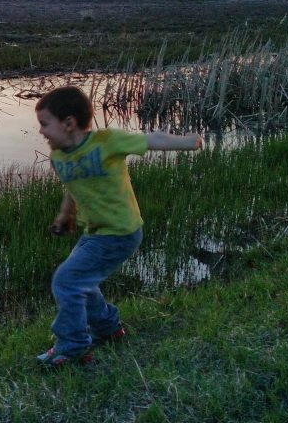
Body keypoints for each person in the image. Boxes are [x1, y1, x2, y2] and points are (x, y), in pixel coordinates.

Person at [34, 85, 201, 367]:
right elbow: (73, 186)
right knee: (81, 282)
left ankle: (73, 346)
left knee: (67, 280)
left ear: (69, 123)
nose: (41, 132)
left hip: (121, 232)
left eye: (44, 124)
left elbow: (152, 139)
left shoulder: (107, 141)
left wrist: (190, 141)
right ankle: (108, 328)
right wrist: (66, 216)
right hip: (95, 233)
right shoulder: (59, 158)